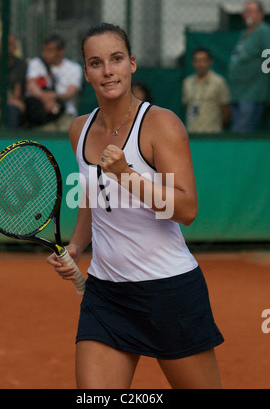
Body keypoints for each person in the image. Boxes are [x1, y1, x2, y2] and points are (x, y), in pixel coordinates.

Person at [47, 23, 224, 389]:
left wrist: (127, 175)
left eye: (116, 59)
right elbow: (91, 198)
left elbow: (187, 210)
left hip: (169, 293)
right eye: (96, 63)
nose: (108, 70)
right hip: (106, 296)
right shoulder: (79, 129)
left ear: (132, 64)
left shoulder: (161, 123)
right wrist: (78, 246)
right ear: (86, 72)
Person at [26, 34, 83, 131]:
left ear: (61, 52)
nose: (45, 54)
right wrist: (44, 97)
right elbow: (31, 85)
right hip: (42, 112)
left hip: (66, 113)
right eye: (44, 50)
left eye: (50, 51)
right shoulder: (36, 63)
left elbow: (71, 92)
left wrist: (54, 97)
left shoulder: (74, 68)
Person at [228, 1, 270, 133]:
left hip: (253, 94)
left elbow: (268, 57)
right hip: (237, 94)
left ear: (261, 14)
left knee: (242, 134)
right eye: (245, 12)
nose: (247, 15)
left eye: (251, 11)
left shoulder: (263, 31)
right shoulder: (245, 34)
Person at [182, 47, 231, 133]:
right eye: (197, 61)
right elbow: (186, 105)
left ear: (210, 62)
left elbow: (226, 110)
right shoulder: (187, 82)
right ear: (193, 63)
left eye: (203, 60)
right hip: (192, 133)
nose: (200, 64)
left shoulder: (219, 82)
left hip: (212, 133)